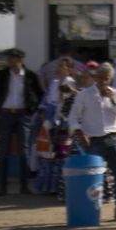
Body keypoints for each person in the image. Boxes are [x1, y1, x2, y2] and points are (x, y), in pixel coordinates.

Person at [69, 61, 116, 221]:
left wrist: (112, 101)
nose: (104, 82)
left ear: (111, 79)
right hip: (93, 140)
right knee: (91, 175)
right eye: (102, 78)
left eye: (107, 78)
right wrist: (79, 133)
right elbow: (73, 117)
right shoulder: (84, 95)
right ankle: (89, 208)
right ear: (96, 77)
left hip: (113, 138)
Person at [0, 48, 43, 195]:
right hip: (5, 114)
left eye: (13, 58)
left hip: (23, 115)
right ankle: (2, 187)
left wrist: (32, 111)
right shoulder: (0, 75)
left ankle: (24, 186)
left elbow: (39, 95)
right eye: (9, 58)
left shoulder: (30, 76)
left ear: (20, 60)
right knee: (3, 151)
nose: (10, 61)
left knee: (24, 151)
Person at [32, 57, 76, 195]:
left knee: (62, 153)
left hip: (64, 124)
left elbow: (70, 104)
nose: (59, 69)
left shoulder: (71, 84)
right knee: (48, 154)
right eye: (59, 66)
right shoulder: (54, 83)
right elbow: (45, 102)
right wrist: (44, 119)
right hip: (50, 123)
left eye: (63, 66)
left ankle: (60, 187)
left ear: (69, 69)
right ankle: (48, 186)